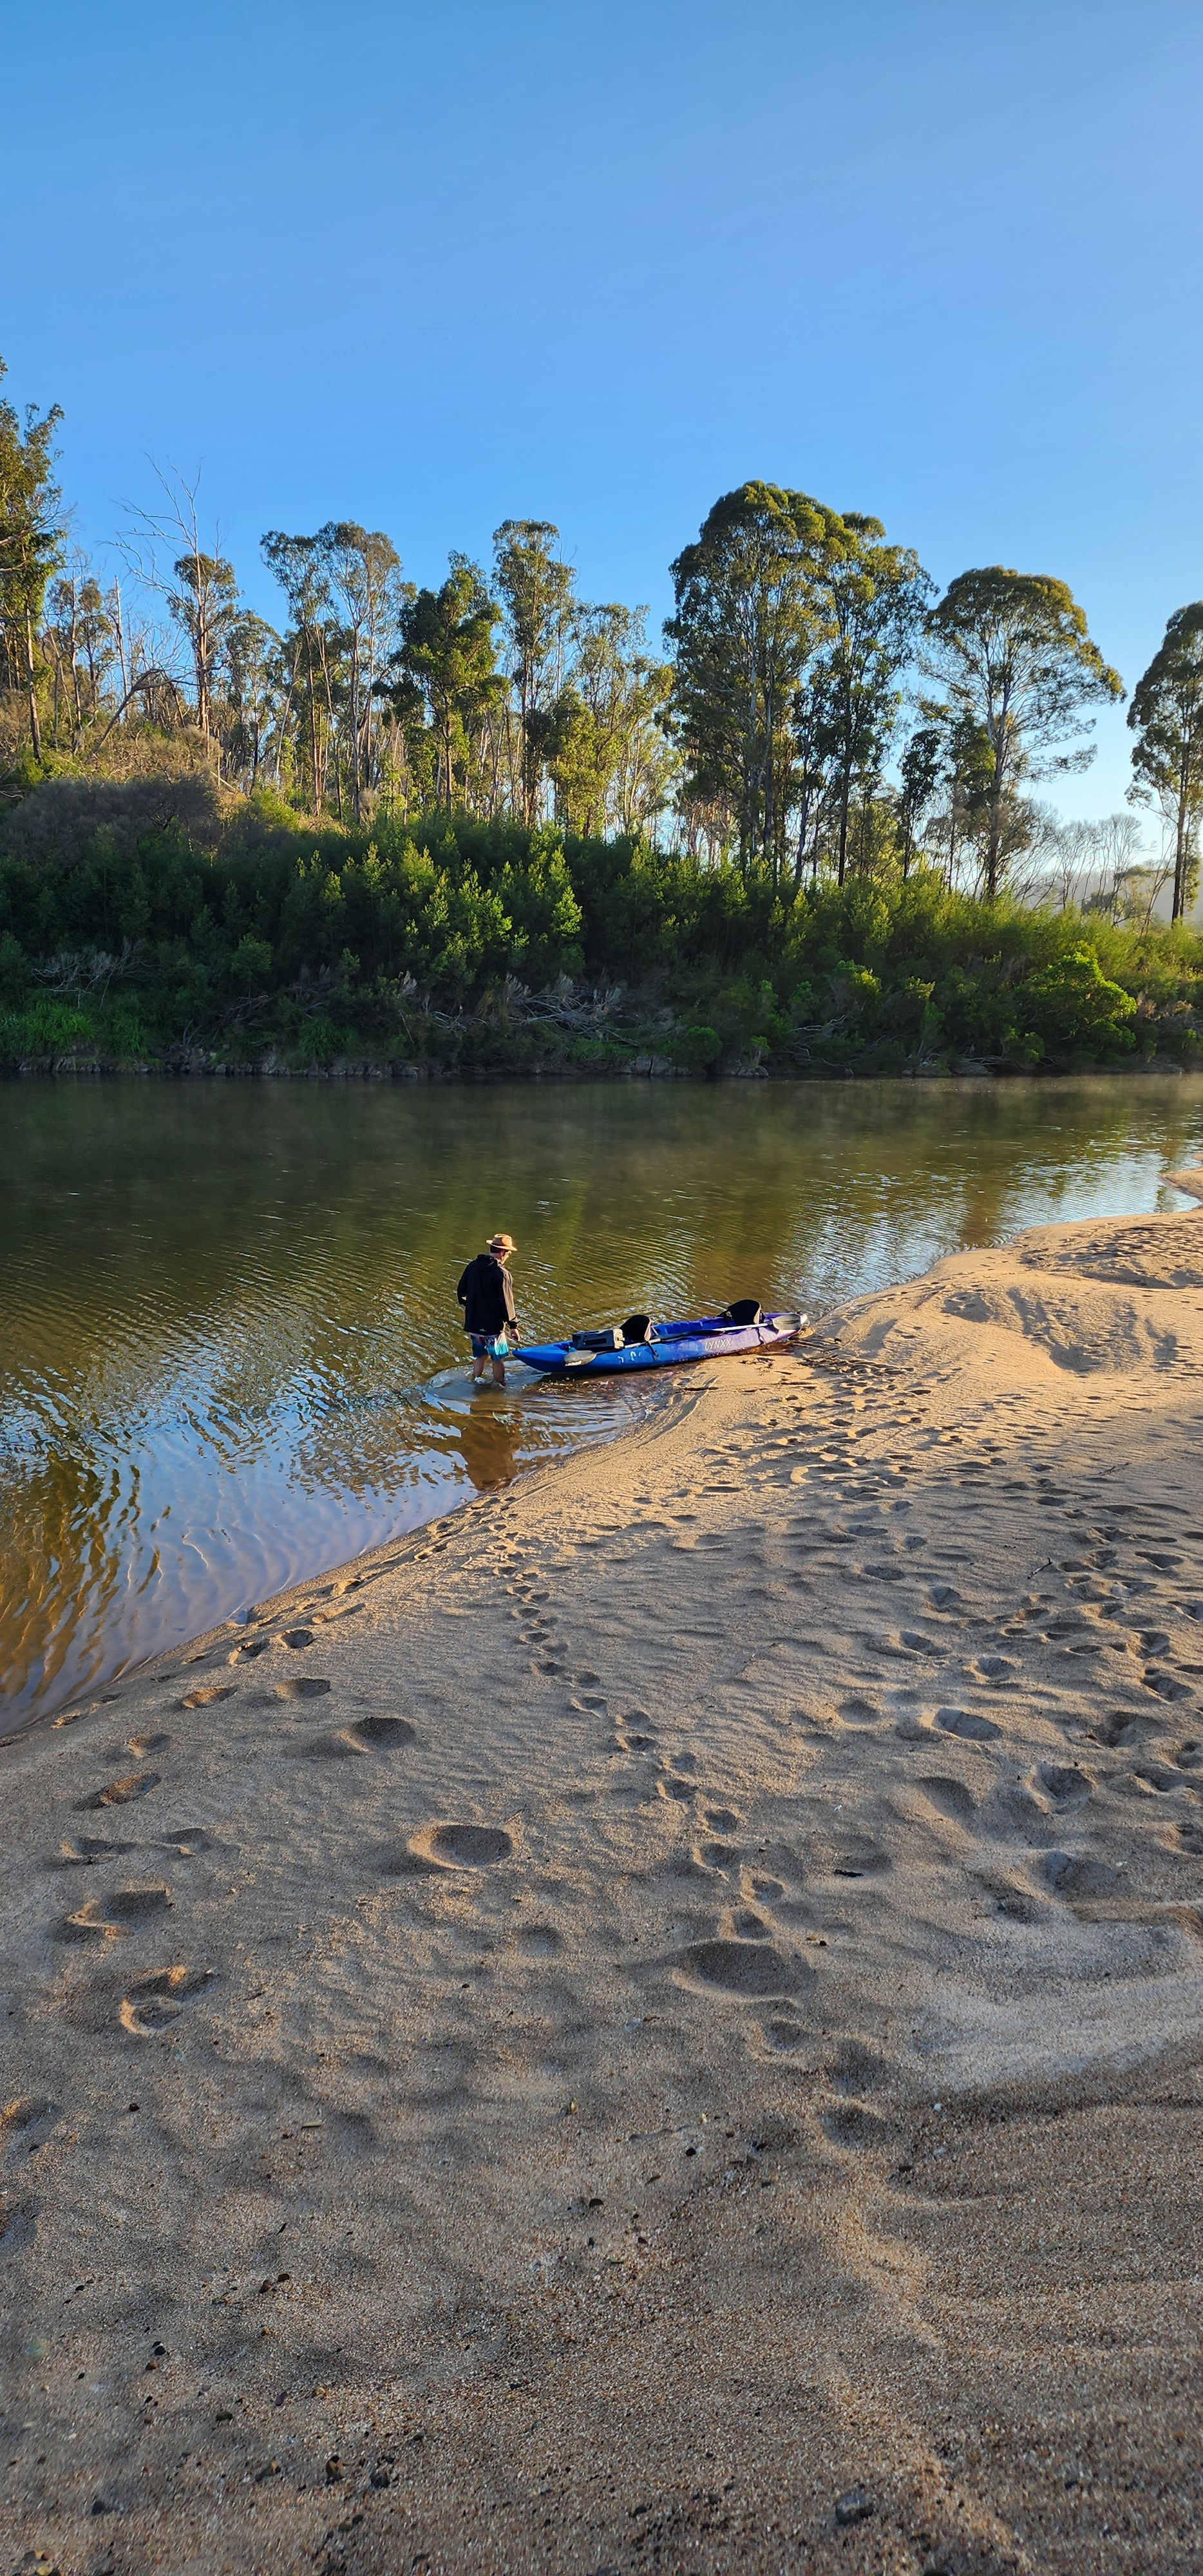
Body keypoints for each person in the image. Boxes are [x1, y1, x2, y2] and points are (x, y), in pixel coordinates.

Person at [457, 1233, 519, 1386]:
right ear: (503, 1252)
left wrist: (468, 1308)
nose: (508, 1256)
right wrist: (514, 1326)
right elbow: (507, 1303)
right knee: (498, 1358)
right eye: (508, 1253)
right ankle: (501, 1386)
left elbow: (461, 1291)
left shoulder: (472, 1266)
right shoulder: (502, 1274)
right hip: (492, 1327)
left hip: (473, 1323)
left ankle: (476, 1380)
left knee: (480, 1356)